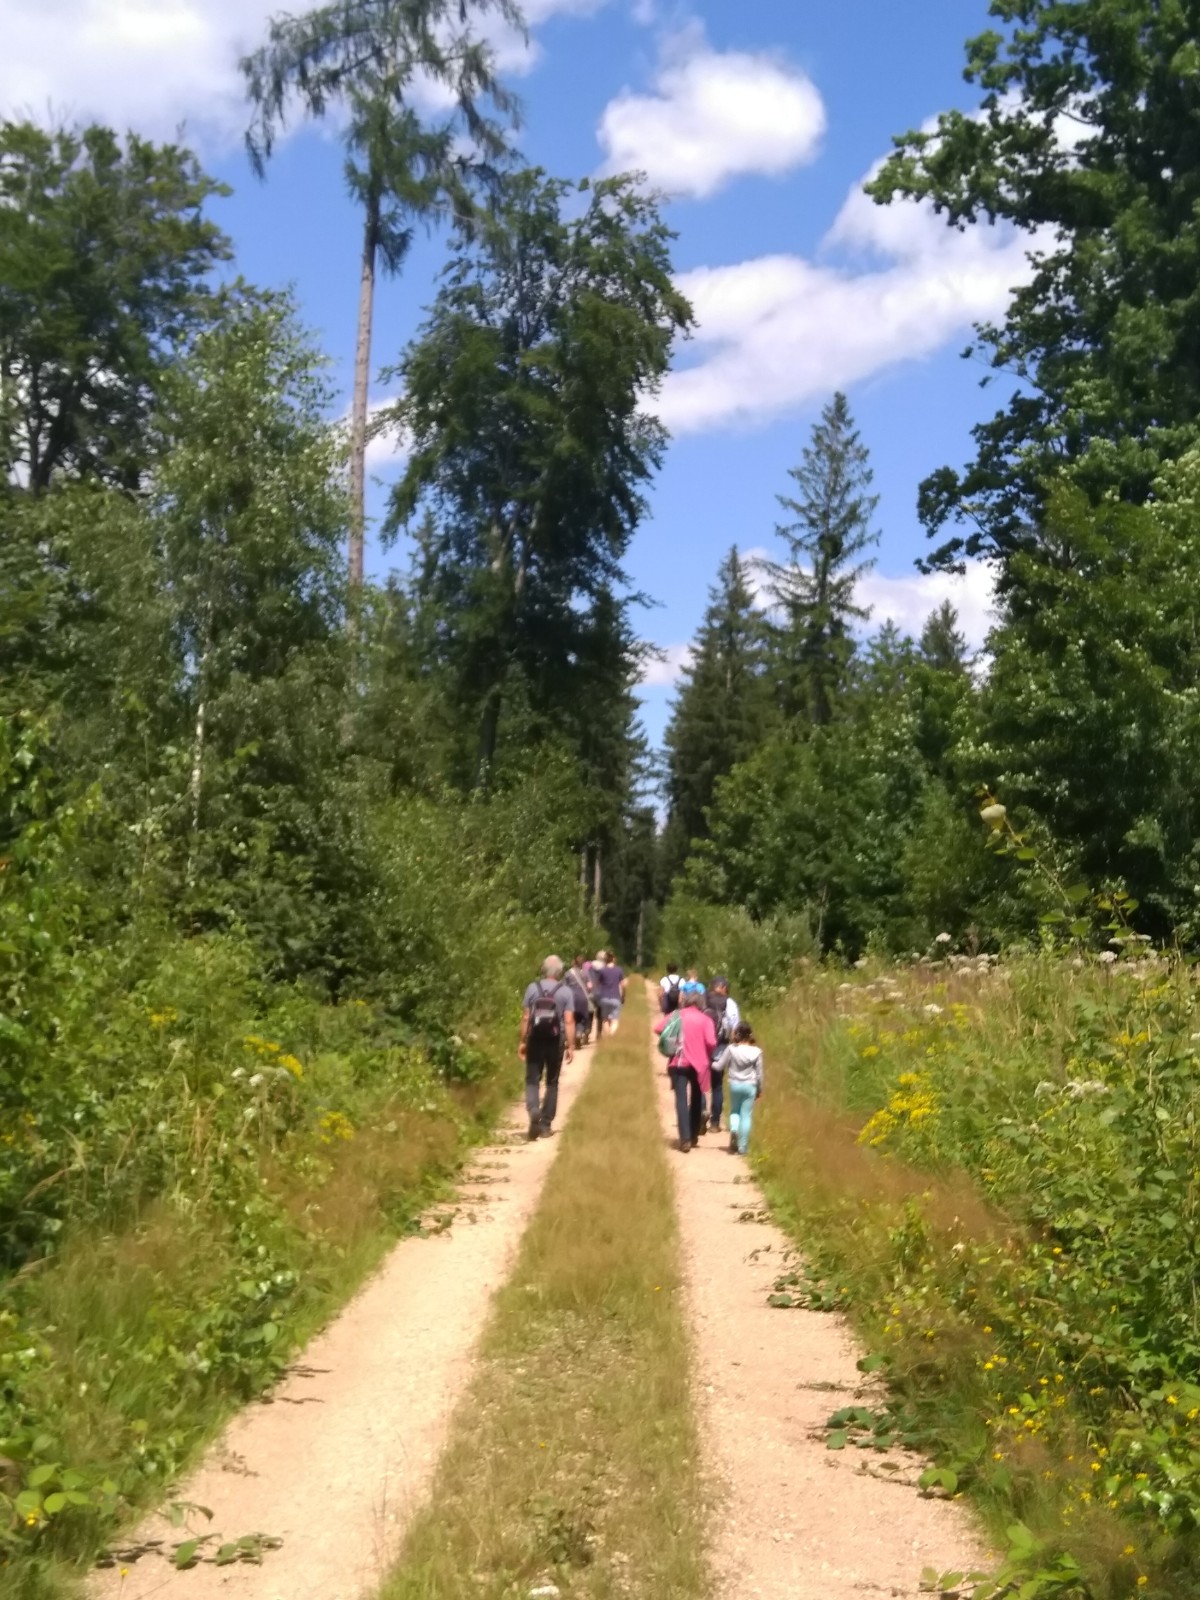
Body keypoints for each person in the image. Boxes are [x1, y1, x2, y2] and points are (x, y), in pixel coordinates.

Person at [519, 956, 576, 1141]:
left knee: (532, 1079)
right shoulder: (565, 991)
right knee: (552, 1082)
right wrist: (571, 1045)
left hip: (535, 1038)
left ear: (543, 970)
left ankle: (534, 1109)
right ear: (559, 972)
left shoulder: (531, 988)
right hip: (555, 1040)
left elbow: (527, 1017)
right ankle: (545, 1125)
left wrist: (522, 1041)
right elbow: (568, 1020)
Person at [654, 987, 717, 1152]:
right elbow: (711, 1042)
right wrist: (706, 1053)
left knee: (681, 1099)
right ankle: (694, 1135)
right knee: (697, 1099)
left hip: (678, 1062)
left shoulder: (676, 1015)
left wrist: (671, 1039)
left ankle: (685, 1139)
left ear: (687, 1002)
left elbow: (658, 1028)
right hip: (699, 1065)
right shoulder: (706, 1020)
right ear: (701, 1003)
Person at [715, 1020, 764, 1156]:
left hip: (734, 1084)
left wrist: (709, 1063)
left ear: (737, 1034)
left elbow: (719, 1066)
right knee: (746, 1115)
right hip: (750, 1086)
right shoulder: (757, 1052)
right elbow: (759, 1074)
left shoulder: (731, 1049)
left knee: (734, 1111)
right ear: (750, 1035)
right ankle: (743, 1147)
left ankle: (734, 1130)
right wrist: (759, 1090)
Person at [703, 976, 741, 1134]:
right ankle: (715, 1122)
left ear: (712, 986)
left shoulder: (703, 999)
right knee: (717, 1085)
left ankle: (701, 1112)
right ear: (724, 987)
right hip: (721, 1049)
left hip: (703, 1047)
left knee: (700, 1084)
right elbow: (735, 1028)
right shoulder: (730, 1003)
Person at [593, 949, 627, 1036]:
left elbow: (596, 984)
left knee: (605, 1019)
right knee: (615, 1020)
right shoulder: (619, 970)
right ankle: (611, 1035)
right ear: (613, 959)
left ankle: (607, 1037)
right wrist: (623, 996)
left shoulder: (602, 970)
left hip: (604, 998)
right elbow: (623, 985)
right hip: (615, 997)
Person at [565, 954, 593, 1046]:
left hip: (571, 998)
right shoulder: (585, 973)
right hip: (582, 998)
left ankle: (572, 1036)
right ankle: (579, 1033)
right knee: (581, 1018)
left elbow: (564, 987)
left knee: (572, 1018)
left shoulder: (567, 973)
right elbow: (590, 986)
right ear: (582, 964)